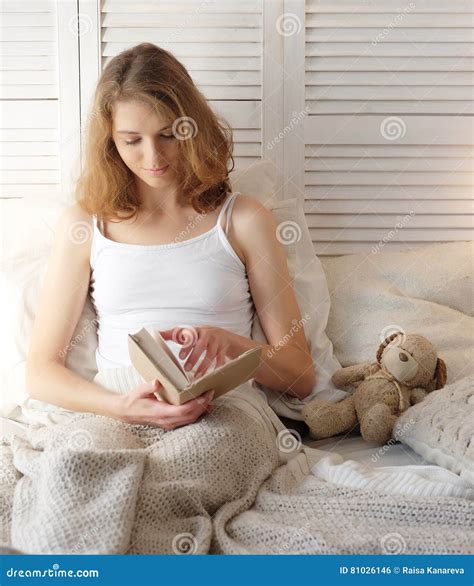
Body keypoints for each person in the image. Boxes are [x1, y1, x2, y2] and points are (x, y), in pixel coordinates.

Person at [25, 42, 316, 431]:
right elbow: (41, 372)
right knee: (75, 469)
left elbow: (300, 375)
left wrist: (235, 349)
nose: (154, 157)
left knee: (193, 470)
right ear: (110, 141)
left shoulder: (243, 220)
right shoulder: (84, 226)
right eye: (132, 140)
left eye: (167, 135)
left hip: (223, 410)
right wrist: (120, 407)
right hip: (118, 407)